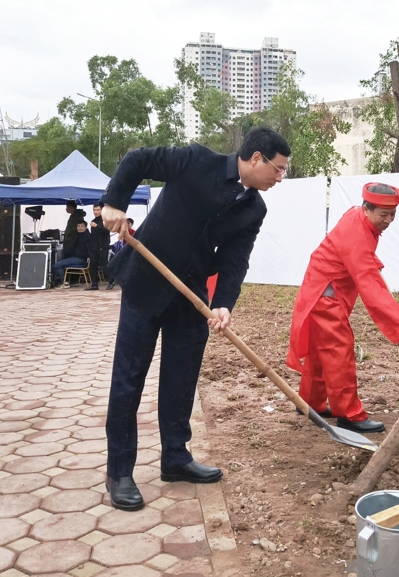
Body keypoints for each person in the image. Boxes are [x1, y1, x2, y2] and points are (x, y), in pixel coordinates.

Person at [99, 127, 290, 511]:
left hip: (191, 297)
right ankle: (119, 471)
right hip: (146, 285)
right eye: (279, 169)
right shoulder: (194, 161)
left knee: (181, 378)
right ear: (256, 158)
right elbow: (138, 159)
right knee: (129, 379)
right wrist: (114, 203)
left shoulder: (254, 209)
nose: (280, 177)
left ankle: (176, 457)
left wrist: (223, 303)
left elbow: (236, 259)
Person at [286, 183, 399, 434]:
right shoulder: (356, 232)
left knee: (321, 352)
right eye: (384, 214)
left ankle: (310, 403)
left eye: (393, 214)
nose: (389, 220)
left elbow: (352, 254)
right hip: (325, 295)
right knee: (338, 352)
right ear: (367, 209)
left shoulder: (356, 214)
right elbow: (369, 284)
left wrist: (370, 259)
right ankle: (349, 413)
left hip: (320, 289)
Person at [51, 220, 91, 284]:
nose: (80, 228)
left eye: (82, 226)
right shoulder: (76, 235)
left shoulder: (87, 237)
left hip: (81, 259)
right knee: (58, 264)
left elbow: (82, 250)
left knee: (57, 265)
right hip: (74, 257)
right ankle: (63, 281)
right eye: (78, 226)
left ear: (86, 227)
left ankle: (63, 282)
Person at [86, 203, 111, 291]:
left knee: (104, 264)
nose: (95, 212)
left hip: (103, 246)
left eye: (97, 210)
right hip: (94, 247)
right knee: (93, 265)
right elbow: (93, 236)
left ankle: (111, 280)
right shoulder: (93, 221)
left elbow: (107, 231)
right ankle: (94, 284)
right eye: (94, 210)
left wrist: (97, 226)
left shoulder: (106, 220)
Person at [106, 218, 134, 291]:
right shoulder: (123, 231)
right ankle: (113, 280)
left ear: (131, 225)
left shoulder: (133, 232)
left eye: (128, 224)